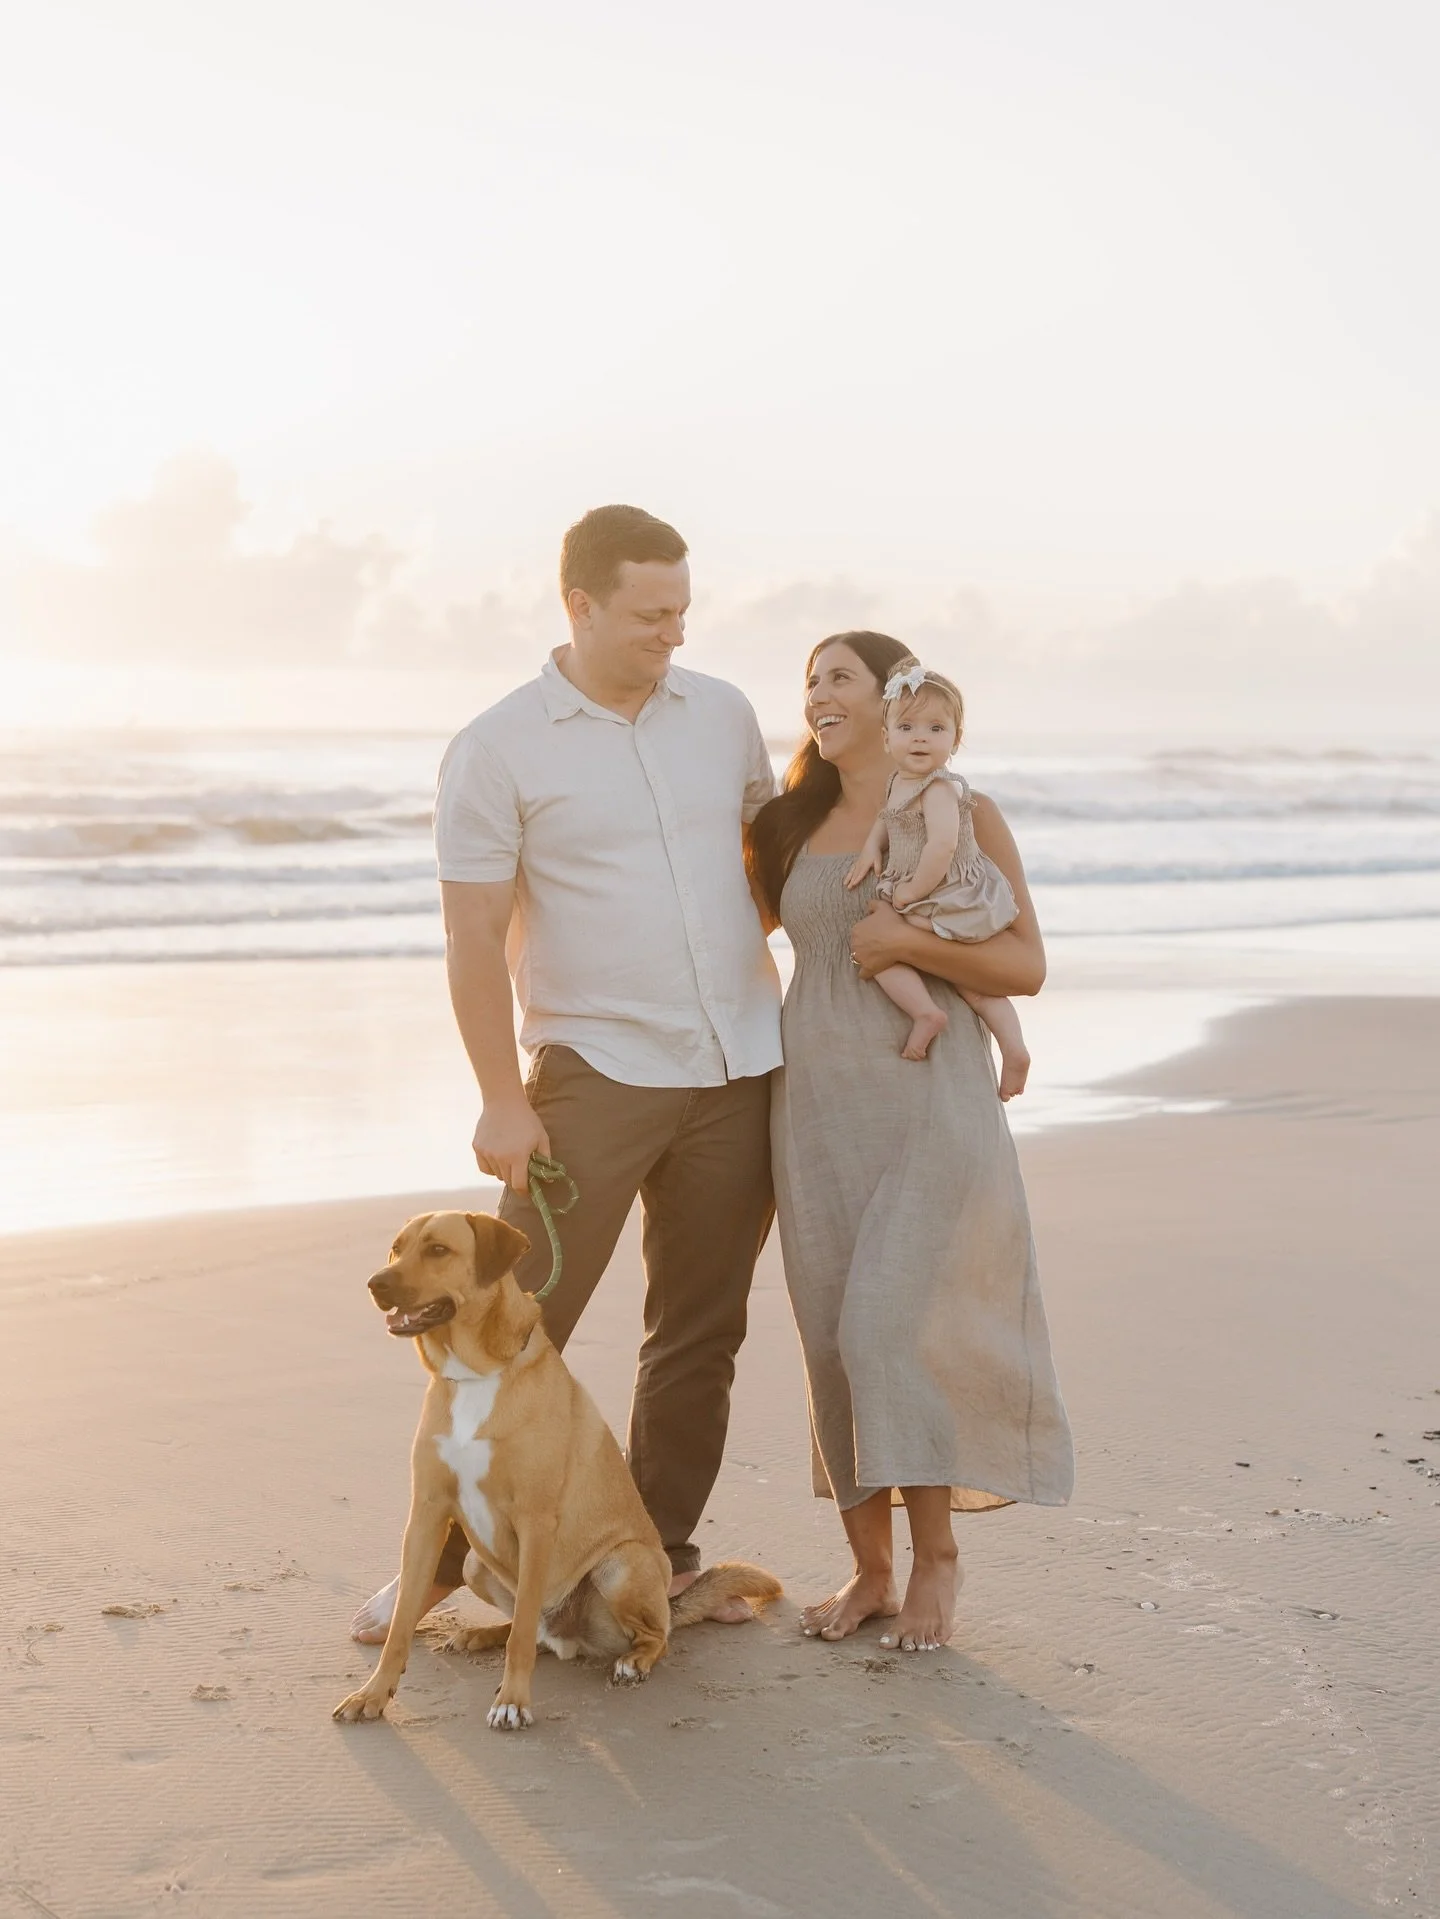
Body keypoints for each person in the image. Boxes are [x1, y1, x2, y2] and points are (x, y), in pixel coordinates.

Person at [351, 504, 781, 1644]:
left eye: (683, 610)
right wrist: (502, 1093)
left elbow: (774, 863)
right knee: (501, 1318)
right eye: (649, 614)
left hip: (739, 1064)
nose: (672, 634)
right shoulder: (497, 746)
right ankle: (443, 1560)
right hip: (592, 1070)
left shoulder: (723, 714)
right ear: (579, 606)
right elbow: (470, 934)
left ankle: (655, 1544)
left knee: (701, 1329)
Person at [747, 631, 1074, 1653]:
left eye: (837, 676)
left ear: (895, 702)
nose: (816, 695)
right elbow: (722, 936)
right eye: (808, 680)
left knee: (891, 1325)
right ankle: (870, 1567)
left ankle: (937, 1557)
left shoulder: (964, 811)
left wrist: (904, 944)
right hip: (815, 1102)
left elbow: (1023, 960)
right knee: (830, 1334)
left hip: (929, 1092)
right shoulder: (783, 823)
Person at [844, 658, 1030, 1095]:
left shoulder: (940, 788)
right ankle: (944, 1018)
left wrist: (910, 893)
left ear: (955, 739)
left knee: (885, 947)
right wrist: (873, 845)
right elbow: (886, 818)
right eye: (907, 728)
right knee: (954, 978)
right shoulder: (898, 782)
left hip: (950, 892)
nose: (921, 738)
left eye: (935, 728)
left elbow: (942, 847)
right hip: (927, 890)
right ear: (887, 738)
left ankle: (999, 1043)